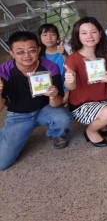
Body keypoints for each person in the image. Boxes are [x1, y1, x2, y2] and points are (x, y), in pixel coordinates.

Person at [0, 31, 71, 170]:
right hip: (18, 115)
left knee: (63, 117)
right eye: (20, 52)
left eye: (31, 50)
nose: (27, 56)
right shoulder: (3, 72)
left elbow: (57, 103)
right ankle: (8, 136)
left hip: (45, 109)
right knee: (2, 163)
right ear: (11, 53)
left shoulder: (50, 67)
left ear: (38, 50)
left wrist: (53, 95)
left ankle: (55, 133)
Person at [64, 17, 107, 147]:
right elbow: (70, 86)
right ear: (78, 36)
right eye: (84, 33)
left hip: (104, 100)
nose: (89, 36)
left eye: (93, 32)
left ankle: (102, 122)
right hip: (81, 104)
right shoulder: (73, 59)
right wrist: (69, 80)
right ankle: (91, 131)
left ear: (100, 33)